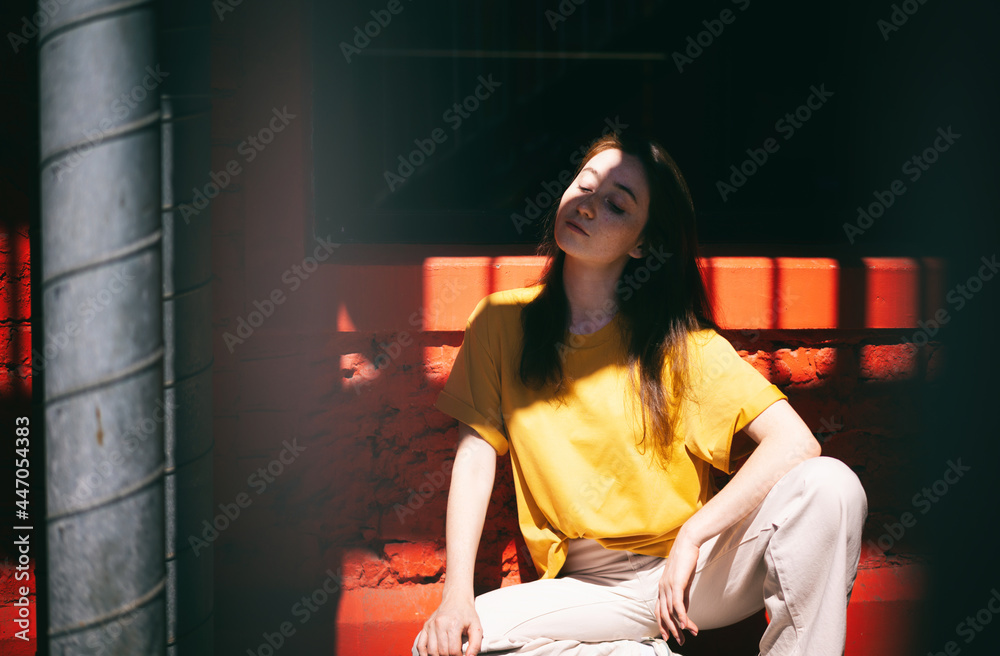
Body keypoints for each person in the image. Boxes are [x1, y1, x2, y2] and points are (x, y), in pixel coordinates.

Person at [412, 131, 867, 656]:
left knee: (831, 485)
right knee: (444, 645)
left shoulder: (678, 343)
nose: (586, 205)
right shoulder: (500, 322)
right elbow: (474, 459)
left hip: (693, 576)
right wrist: (456, 596)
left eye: (614, 204)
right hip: (587, 587)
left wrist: (694, 537)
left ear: (642, 242)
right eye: (582, 186)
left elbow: (795, 445)